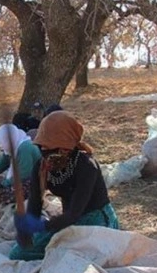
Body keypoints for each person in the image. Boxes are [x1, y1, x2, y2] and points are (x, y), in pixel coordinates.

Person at [11, 112, 119, 261]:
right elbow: (35, 203)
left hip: (94, 220)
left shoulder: (86, 166)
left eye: (50, 147)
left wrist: (44, 226)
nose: (45, 152)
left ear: (66, 148)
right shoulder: (41, 167)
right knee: (19, 254)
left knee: (77, 257)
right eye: (42, 147)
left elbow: (74, 213)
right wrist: (27, 230)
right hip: (67, 221)